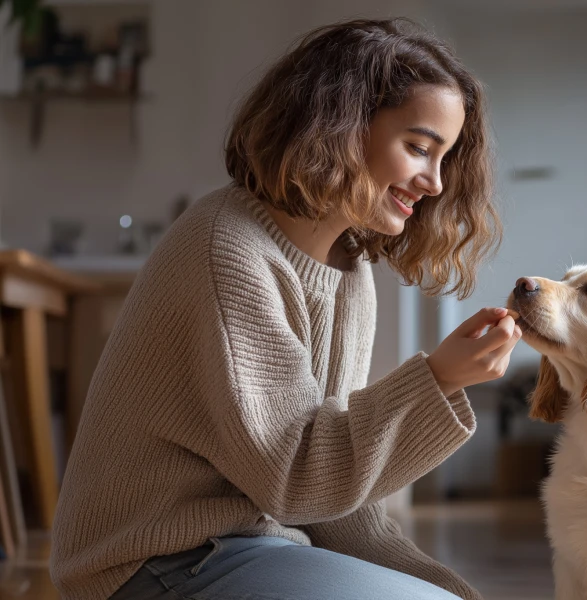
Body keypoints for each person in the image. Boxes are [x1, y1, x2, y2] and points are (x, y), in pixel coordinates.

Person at [51, 18, 520, 600]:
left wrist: (453, 589)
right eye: (420, 148)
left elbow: (336, 507)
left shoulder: (350, 273)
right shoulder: (227, 246)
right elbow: (296, 480)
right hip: (152, 563)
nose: (435, 183)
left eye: (445, 158)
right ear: (344, 126)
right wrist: (438, 378)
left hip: (245, 548)